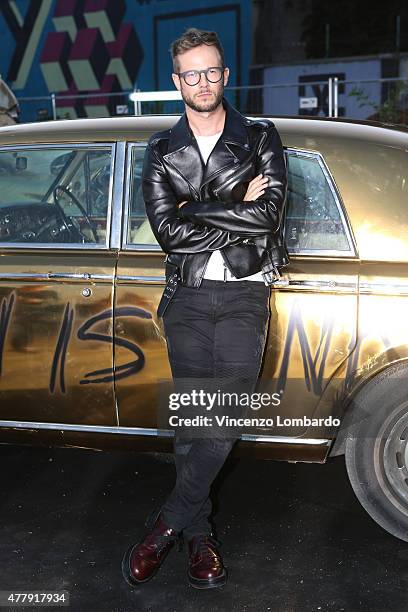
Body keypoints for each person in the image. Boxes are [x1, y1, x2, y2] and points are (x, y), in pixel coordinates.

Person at [122, 27, 288, 590]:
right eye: (190, 74)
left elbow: (267, 218)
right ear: (177, 82)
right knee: (196, 423)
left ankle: (163, 528)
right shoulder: (160, 149)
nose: (202, 82)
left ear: (224, 73)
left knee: (226, 418)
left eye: (211, 71)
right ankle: (201, 539)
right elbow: (168, 233)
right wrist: (231, 203)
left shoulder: (261, 135)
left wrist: (198, 207)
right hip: (188, 296)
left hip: (244, 291)